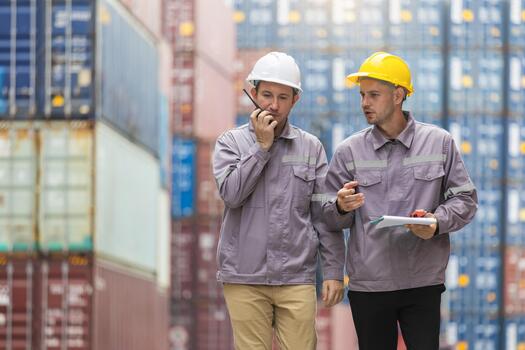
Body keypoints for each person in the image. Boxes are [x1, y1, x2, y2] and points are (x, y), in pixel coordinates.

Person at [321, 52, 478, 349]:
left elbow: (465, 199)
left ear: (398, 95)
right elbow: (327, 216)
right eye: (362, 95)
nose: (365, 103)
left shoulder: (439, 142)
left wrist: (435, 222)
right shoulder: (349, 151)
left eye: (374, 95)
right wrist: (340, 205)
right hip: (370, 283)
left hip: (422, 282)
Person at [212, 51, 345, 350]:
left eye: (283, 97)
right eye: (267, 95)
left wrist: (335, 272)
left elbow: (324, 216)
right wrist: (261, 148)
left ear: (295, 99)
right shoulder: (230, 143)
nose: (273, 105)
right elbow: (232, 194)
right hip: (244, 276)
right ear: (253, 93)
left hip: (295, 277)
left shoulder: (310, 148)